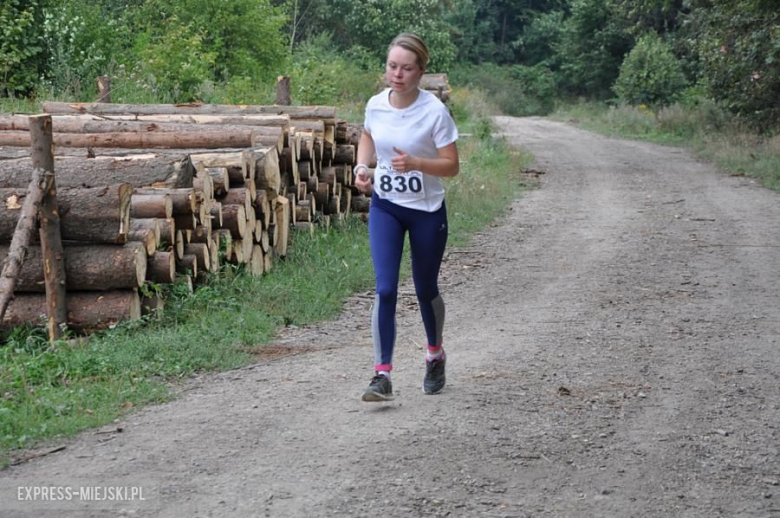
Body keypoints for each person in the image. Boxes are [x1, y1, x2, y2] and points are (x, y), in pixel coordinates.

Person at [354, 32, 460, 402]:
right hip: (386, 205)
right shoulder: (375, 105)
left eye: (406, 68)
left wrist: (416, 163)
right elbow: (367, 136)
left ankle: (435, 354)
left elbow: (451, 166)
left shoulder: (434, 112)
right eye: (392, 66)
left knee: (425, 288)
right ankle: (381, 374)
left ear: (420, 72)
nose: (397, 74)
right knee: (385, 288)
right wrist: (362, 167)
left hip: (427, 212)